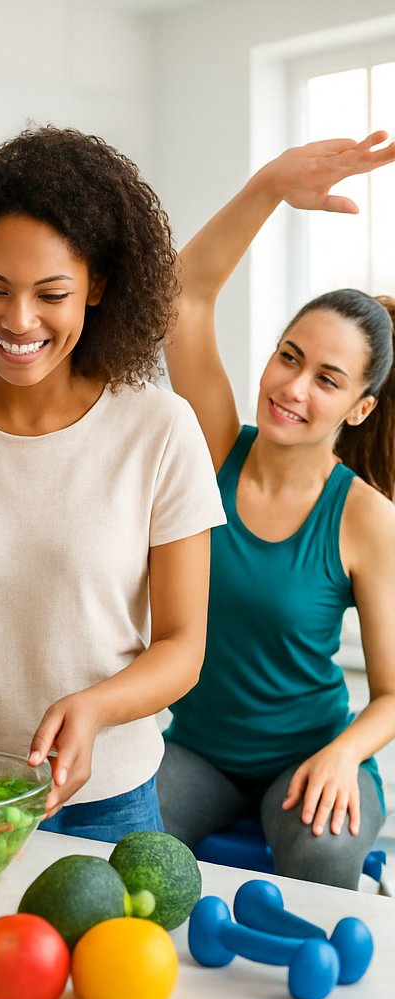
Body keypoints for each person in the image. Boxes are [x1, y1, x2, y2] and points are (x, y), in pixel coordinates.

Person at [0, 126, 225, 843]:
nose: (18, 321)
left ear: (99, 287)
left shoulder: (159, 430)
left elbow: (184, 647)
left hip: (108, 799)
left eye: (50, 294)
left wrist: (94, 708)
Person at [158, 133, 395, 888]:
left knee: (323, 858)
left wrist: (344, 754)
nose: (293, 389)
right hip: (196, 751)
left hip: (311, 754)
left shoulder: (363, 516)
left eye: (327, 379)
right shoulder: (216, 447)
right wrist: (268, 186)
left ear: (359, 408)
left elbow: (392, 693)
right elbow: (182, 296)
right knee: (117, 836)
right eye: (289, 357)